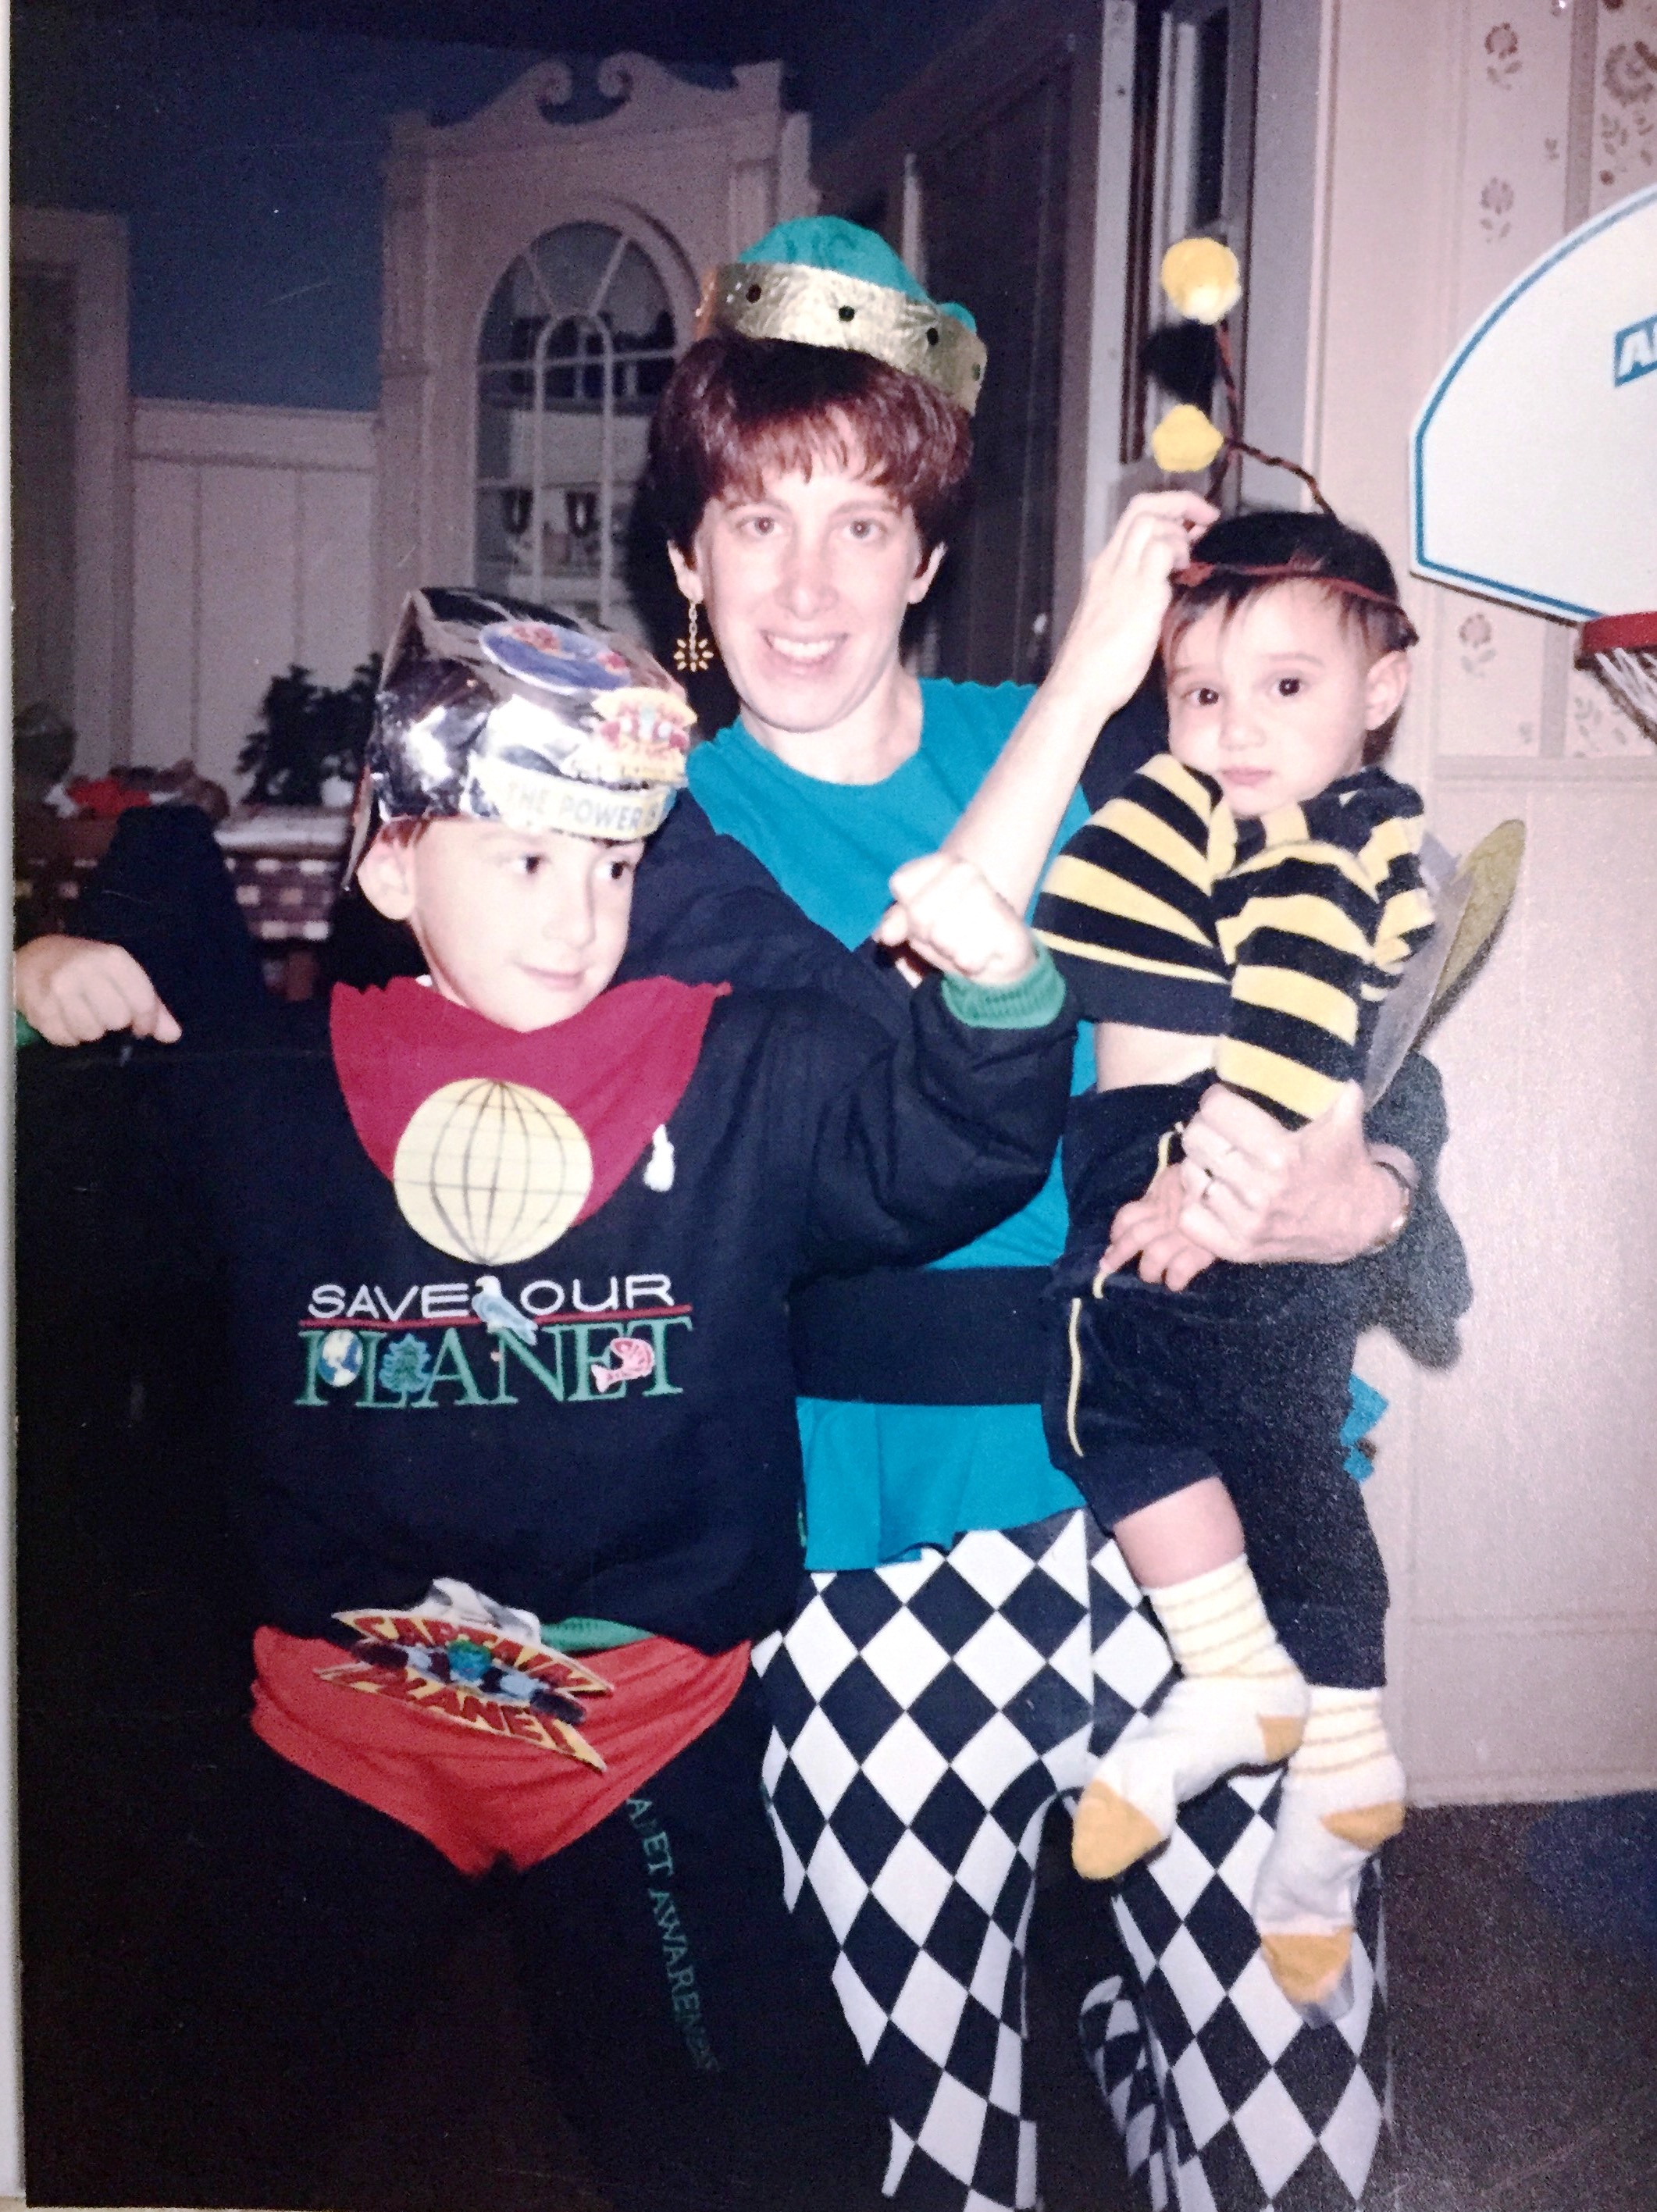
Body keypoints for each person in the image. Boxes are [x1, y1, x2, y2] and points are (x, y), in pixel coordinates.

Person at [12, 586, 1078, 2212]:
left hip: (638, 1734)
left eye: (611, 863)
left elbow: (931, 1151)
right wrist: (32, 999)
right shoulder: (263, 1101)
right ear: (387, 862)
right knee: (201, 2108)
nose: (578, 914)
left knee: (756, 2139)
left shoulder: (733, 1070)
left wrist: (998, 1001)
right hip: (347, 1729)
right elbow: (63, 1215)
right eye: (523, 858)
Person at [643, 215, 1468, 2210]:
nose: (811, 584)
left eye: (862, 521)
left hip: (1193, 1500)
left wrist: (1372, 1180)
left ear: (928, 550)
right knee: (922, 2143)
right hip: (866, 1550)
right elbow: (883, 1050)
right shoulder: (657, 832)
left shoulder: (1155, 753)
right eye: (756, 525)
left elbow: (1338, 999)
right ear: (685, 562)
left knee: (1290, 2115)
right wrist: (1085, 682)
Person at [1030, 511, 1438, 2012]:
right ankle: (1326, 1747)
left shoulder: (1313, 841)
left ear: (1378, 687)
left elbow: (1284, 1013)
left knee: (1121, 1412)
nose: (1233, 725)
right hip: (1181, 1159)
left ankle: (1251, 1686)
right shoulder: (1257, 816)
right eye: (1200, 692)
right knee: (1273, 1454)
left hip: (1200, 1164)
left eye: (1284, 686)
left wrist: (1210, 1183)